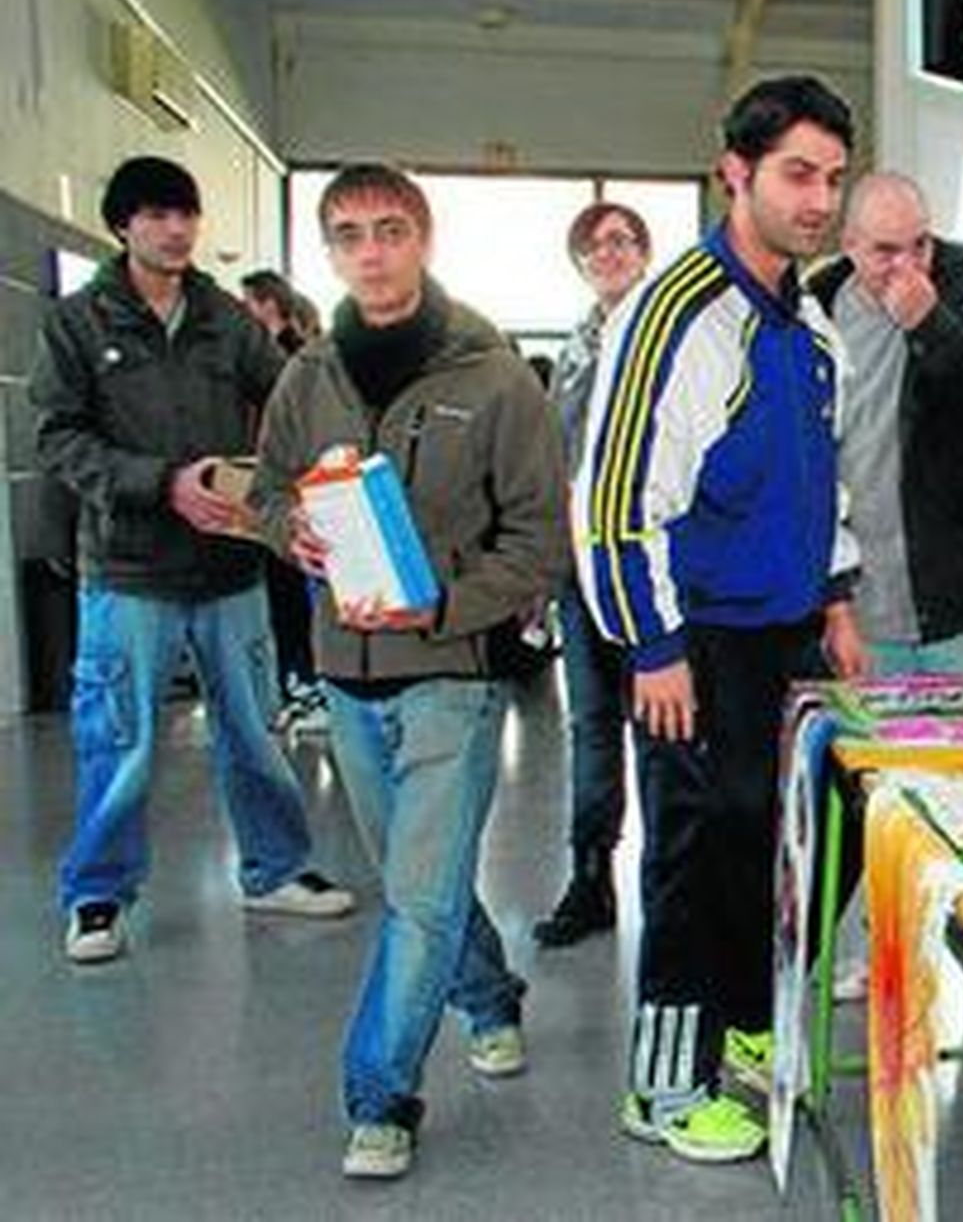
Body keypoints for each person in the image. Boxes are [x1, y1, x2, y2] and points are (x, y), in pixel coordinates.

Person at [249, 163, 569, 1180]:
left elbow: (539, 540)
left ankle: (378, 1094)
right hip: (347, 675)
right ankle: (489, 995)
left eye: (390, 230)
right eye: (348, 236)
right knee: (414, 882)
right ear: (331, 252)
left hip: (454, 675)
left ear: (423, 239)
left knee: (420, 898)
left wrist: (446, 602)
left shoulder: (494, 377)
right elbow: (265, 492)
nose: (371, 252)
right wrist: (284, 530)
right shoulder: (307, 377)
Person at [573, 74, 863, 1163]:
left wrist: (836, 597)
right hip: (689, 643)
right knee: (691, 859)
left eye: (832, 178)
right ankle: (660, 1085)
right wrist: (652, 649)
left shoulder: (807, 320)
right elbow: (611, 503)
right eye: (797, 174)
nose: (817, 200)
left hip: (785, 635)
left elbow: (821, 479)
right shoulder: (678, 312)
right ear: (733, 173)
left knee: (771, 846)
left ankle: (744, 1027)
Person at [29, 156, 355, 966]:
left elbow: (288, 397)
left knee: (254, 729)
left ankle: (275, 867)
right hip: (130, 568)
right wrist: (159, 484)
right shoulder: (78, 322)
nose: (176, 230)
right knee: (122, 737)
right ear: (123, 226)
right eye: (156, 215)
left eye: (186, 215)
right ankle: (98, 894)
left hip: (228, 566)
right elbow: (57, 439)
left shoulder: (224, 319)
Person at [810, 171, 963, 676]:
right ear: (849, 245)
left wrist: (931, 325)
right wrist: (831, 604)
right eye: (885, 252)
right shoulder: (813, 315)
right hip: (861, 615)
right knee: (875, 758)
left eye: (920, 246)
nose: (907, 267)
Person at [532, 201, 652, 948]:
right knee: (591, 728)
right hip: (582, 573)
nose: (607, 253)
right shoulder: (575, 347)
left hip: (651, 569)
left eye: (621, 240)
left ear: (643, 252)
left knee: (668, 732)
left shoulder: (668, 332)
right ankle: (590, 874)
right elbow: (554, 463)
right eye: (593, 245)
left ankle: (677, 880)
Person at [240, 267, 321, 726]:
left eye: (248, 301)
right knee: (283, 595)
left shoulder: (297, 361)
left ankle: (305, 684)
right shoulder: (271, 356)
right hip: (271, 494)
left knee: (290, 593)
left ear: (268, 303)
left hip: (294, 494)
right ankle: (298, 683)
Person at [241, 268, 307, 356]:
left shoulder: (293, 349)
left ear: (269, 305)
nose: (243, 305)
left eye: (248, 300)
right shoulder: (259, 340)